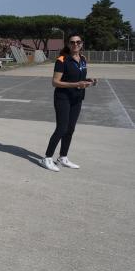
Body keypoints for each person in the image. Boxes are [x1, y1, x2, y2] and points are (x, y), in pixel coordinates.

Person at [41, 34, 96, 172]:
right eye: (72, 42)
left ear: (82, 43)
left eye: (78, 42)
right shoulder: (62, 60)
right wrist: (77, 84)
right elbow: (55, 82)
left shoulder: (82, 59)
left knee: (70, 129)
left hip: (77, 98)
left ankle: (62, 157)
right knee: (62, 128)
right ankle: (47, 158)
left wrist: (89, 81)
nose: (75, 44)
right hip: (63, 98)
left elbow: (79, 78)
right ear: (68, 44)